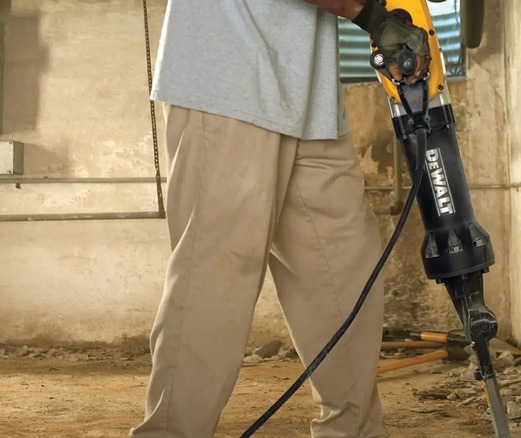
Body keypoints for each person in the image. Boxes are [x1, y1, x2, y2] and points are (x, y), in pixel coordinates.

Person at [130, 1, 429, 437]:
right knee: (217, 274)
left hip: (308, 98)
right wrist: (370, 16)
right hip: (229, 77)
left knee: (342, 270)